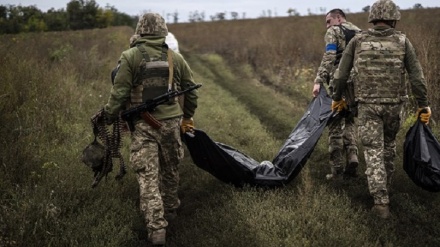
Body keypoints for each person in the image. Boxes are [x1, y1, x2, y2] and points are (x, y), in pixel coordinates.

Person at [104, 12, 199, 245]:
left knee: (147, 175)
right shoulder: (175, 58)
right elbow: (191, 91)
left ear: (141, 31)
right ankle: (170, 211)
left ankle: (157, 228)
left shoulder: (130, 57)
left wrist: (108, 116)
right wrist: (187, 117)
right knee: (170, 170)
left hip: (143, 126)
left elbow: (119, 93)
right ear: (162, 31)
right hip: (172, 124)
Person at [331, 0, 431, 219]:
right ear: (394, 18)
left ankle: (380, 202)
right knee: (388, 145)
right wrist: (423, 104)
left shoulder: (358, 41)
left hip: (367, 105)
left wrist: (337, 98)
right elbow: (417, 77)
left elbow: (340, 75)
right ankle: (385, 187)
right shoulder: (403, 42)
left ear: (372, 18)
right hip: (395, 106)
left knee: (372, 149)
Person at [312, 9, 361, 180]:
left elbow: (329, 56)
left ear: (338, 18)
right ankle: (353, 157)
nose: (327, 25)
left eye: (328, 21)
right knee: (349, 120)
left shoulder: (333, 31)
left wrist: (319, 80)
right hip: (357, 85)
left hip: (339, 83)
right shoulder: (359, 32)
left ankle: (337, 170)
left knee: (334, 123)